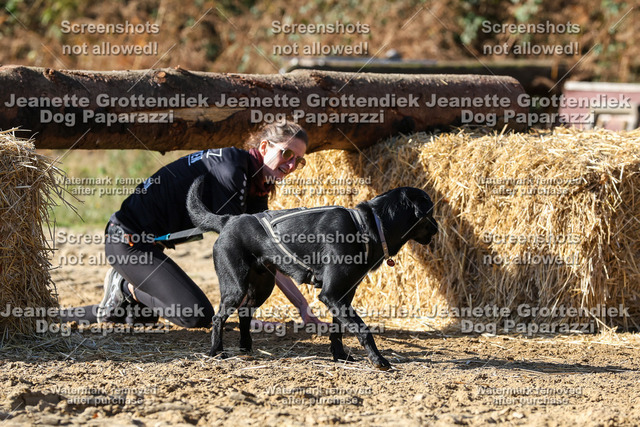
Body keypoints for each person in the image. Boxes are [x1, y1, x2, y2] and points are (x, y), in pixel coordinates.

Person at [63, 121, 323, 328]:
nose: (291, 164)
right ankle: (124, 287)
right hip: (127, 241)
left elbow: (265, 252)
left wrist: (303, 308)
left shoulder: (255, 182)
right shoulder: (233, 173)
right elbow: (239, 253)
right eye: (287, 153)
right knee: (195, 315)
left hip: (149, 246)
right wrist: (245, 318)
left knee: (137, 317)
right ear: (264, 146)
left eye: (299, 160)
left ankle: (61, 315)